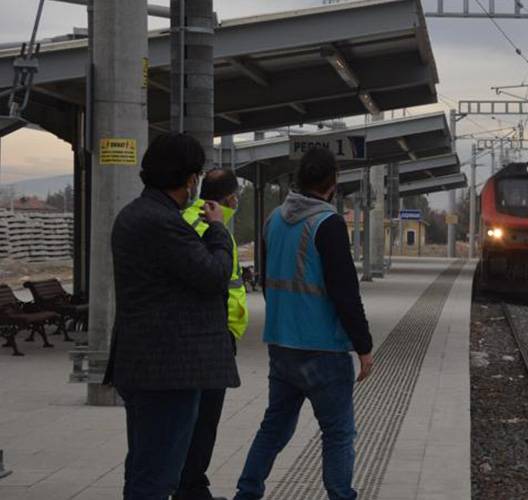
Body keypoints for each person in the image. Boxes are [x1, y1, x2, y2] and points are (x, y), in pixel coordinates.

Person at [104, 132, 240, 500]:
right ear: (190, 179)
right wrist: (218, 230)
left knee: (147, 467)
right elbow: (213, 275)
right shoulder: (160, 222)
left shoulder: (137, 214)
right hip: (166, 370)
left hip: (148, 364)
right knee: (156, 475)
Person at [234, 147, 374, 500]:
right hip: (323, 347)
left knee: (274, 427)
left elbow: (267, 279)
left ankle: (246, 492)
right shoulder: (328, 223)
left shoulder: (273, 220)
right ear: (333, 182)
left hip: (282, 344)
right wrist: (364, 346)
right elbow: (345, 291)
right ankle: (340, 495)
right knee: (338, 433)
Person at [175, 168, 249, 500]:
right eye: (236, 196)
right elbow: (212, 278)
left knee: (196, 419)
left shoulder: (192, 219)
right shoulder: (207, 225)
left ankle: (190, 484)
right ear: (230, 197)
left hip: (211, 333)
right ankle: (190, 488)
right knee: (203, 419)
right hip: (211, 336)